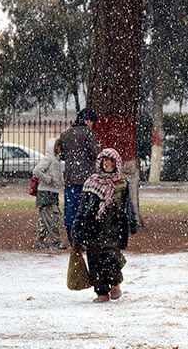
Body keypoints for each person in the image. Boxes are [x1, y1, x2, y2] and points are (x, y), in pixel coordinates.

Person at [72, 148, 138, 303]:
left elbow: (128, 206)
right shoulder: (91, 183)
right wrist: (77, 226)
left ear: (117, 164)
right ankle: (101, 291)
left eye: (111, 161)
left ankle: (115, 284)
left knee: (111, 258)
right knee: (94, 260)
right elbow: (83, 207)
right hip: (94, 228)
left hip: (114, 228)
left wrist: (131, 223)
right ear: (100, 163)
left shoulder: (121, 184)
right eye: (105, 161)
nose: (108, 164)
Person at [58, 108, 100, 244]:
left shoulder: (65, 135)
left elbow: (63, 155)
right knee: (86, 210)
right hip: (87, 180)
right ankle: (83, 238)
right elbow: (95, 154)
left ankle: (72, 238)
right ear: (88, 120)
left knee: (71, 209)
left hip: (70, 177)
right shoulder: (89, 133)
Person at [32, 139, 66, 250]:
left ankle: (39, 240)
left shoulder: (57, 161)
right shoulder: (48, 159)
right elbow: (36, 170)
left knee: (45, 219)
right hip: (45, 192)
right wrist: (48, 179)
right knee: (52, 218)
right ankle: (56, 241)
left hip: (52, 193)